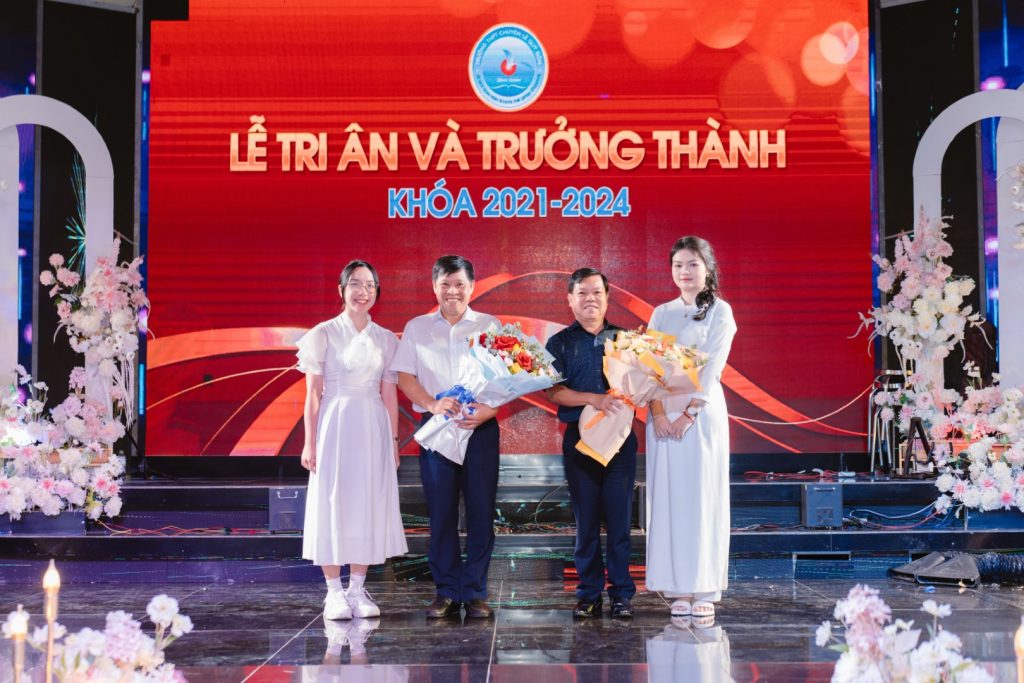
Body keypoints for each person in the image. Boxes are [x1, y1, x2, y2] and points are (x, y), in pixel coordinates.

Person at [296, 260, 408, 621]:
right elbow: (313, 395)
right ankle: (333, 592)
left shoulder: (386, 339)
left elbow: (389, 395)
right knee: (332, 501)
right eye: (356, 284)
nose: (364, 291)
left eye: (370, 285)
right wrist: (309, 442)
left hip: (372, 425)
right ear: (342, 290)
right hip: (335, 424)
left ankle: (357, 589)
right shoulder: (323, 334)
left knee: (367, 503)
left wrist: (393, 442)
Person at [392, 255, 501, 619]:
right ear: (434, 287)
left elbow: (507, 378)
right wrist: (431, 403)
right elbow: (404, 376)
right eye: (445, 285)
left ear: (472, 287)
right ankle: (446, 591)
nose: (453, 291)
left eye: (460, 285)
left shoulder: (489, 325)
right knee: (441, 514)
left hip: (478, 429)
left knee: (481, 513)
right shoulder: (417, 328)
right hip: (437, 430)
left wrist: (491, 409)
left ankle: (476, 592)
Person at [645, 236, 737, 619]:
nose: (685, 272)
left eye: (693, 264)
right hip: (663, 416)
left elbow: (713, 366)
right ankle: (676, 587)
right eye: (678, 265)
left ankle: (705, 587)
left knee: (702, 498)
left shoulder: (720, 312)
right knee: (669, 498)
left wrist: (689, 414)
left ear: (708, 268)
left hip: (700, 415)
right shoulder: (661, 313)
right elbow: (647, 368)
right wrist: (659, 414)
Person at [545, 267, 637, 619]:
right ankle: (589, 593)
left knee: (619, 520)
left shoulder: (626, 340)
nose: (590, 299)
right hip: (580, 441)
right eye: (582, 293)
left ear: (607, 298)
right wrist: (593, 399)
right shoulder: (559, 343)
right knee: (585, 522)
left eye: (597, 292)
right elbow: (554, 392)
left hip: (620, 440)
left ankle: (622, 593)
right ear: (570, 300)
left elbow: (643, 386)